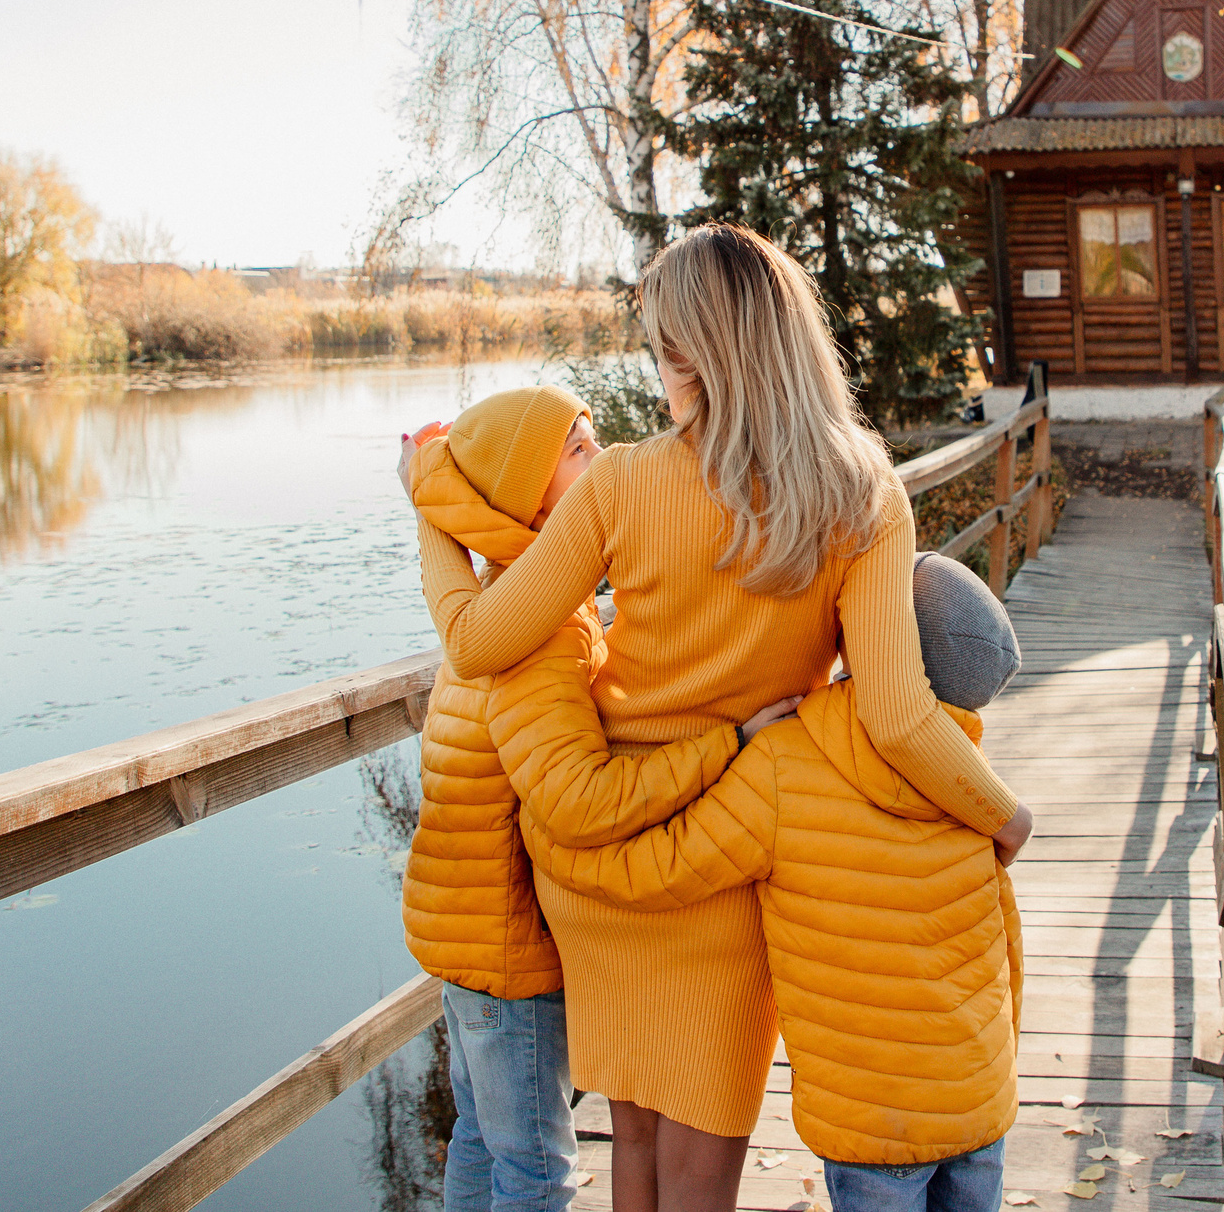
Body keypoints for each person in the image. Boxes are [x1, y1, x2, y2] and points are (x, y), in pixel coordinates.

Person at [400, 225, 1032, 1212]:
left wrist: (429, 502)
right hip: (730, 854)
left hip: (599, 860)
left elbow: (477, 641)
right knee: (699, 1168)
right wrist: (1001, 813)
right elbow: (900, 718)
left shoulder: (620, 480)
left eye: (659, 349)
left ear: (688, 355)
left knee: (638, 1148)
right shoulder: (859, 488)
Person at [522, 551, 1027, 1212]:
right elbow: (1009, 951)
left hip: (871, 1121)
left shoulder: (788, 761)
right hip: (979, 1099)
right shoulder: (971, 789)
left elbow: (667, 867)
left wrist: (563, 850)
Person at [396, 384, 799, 1212]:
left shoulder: (502, 606)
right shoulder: (539, 633)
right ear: (530, 498)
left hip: (465, 939)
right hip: (512, 954)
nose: (605, 456)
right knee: (538, 1166)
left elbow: (464, 608)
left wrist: (428, 492)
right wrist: (728, 742)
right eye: (577, 449)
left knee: (480, 1137)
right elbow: (581, 795)